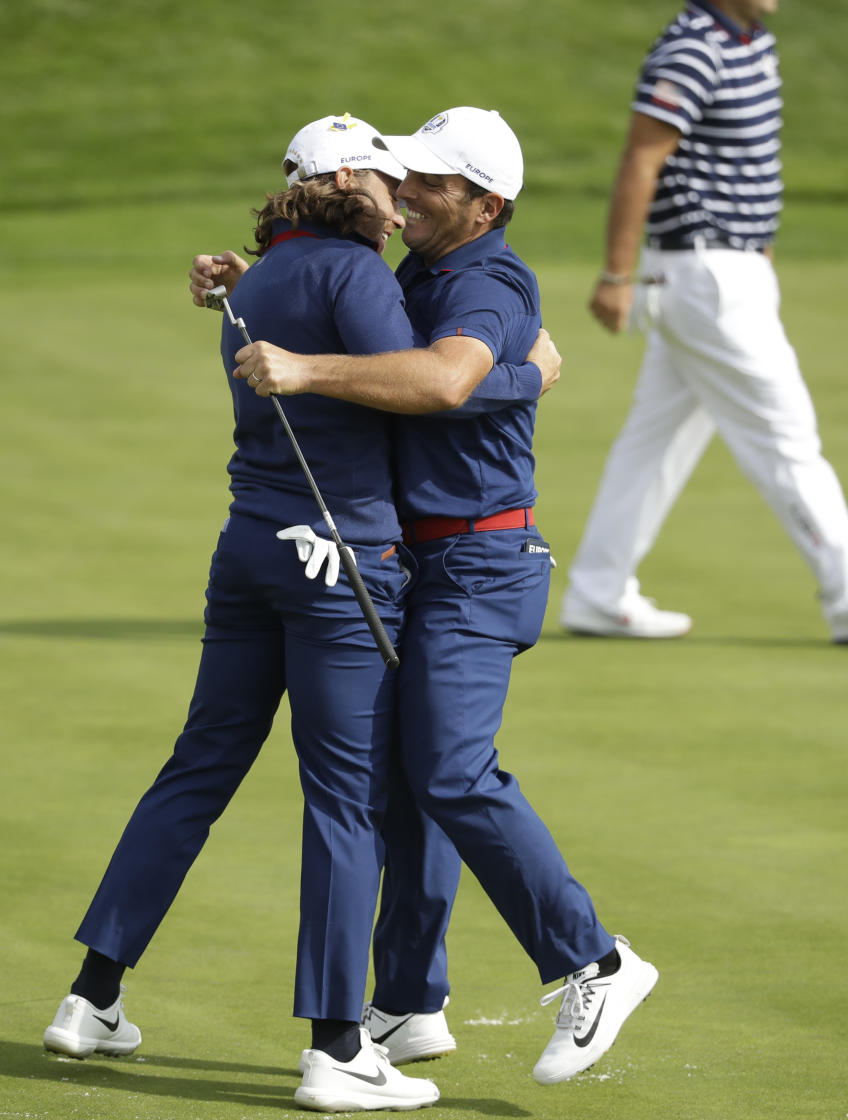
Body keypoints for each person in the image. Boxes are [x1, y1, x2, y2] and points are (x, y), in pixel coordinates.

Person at [191, 106, 660, 1088]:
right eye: (401, 173)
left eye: (428, 182)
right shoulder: (423, 270)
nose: (401, 189)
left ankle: (599, 961)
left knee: (448, 769)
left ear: (483, 204)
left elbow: (446, 379)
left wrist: (308, 366)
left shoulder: (487, 277)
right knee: (407, 780)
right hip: (426, 562)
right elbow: (479, 362)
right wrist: (258, 285)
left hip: (480, 566)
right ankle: (408, 998)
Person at [42, 113, 447, 1114]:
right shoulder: (350, 275)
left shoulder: (260, 274)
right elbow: (418, 387)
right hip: (335, 560)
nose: (399, 201)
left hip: (249, 552)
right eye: (386, 183)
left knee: (199, 766)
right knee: (345, 799)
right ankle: (337, 1047)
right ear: (346, 181)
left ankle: (92, 997)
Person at [560, 0, 848, 643]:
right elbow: (640, 160)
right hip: (702, 274)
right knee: (783, 433)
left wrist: (760, 253)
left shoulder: (754, 42)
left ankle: (598, 589)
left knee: (657, 442)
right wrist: (616, 275)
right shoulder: (692, 48)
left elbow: (749, 164)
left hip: (734, 270)